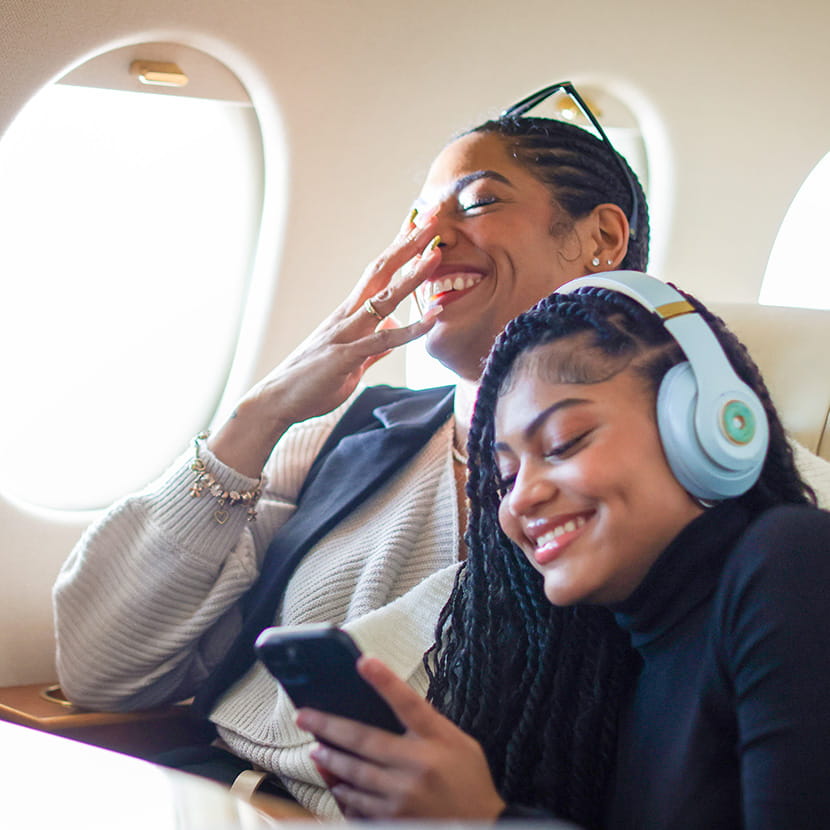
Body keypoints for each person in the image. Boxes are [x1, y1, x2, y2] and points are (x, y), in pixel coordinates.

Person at [52, 82, 651, 817]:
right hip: (205, 795)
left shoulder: (647, 483)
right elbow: (102, 673)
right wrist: (259, 413)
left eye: (476, 203)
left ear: (602, 240)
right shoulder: (339, 438)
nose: (430, 242)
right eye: (417, 220)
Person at [298, 273, 830, 829]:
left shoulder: (791, 563)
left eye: (562, 444)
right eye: (505, 477)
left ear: (704, 425)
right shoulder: (606, 663)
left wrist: (484, 820)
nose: (521, 498)